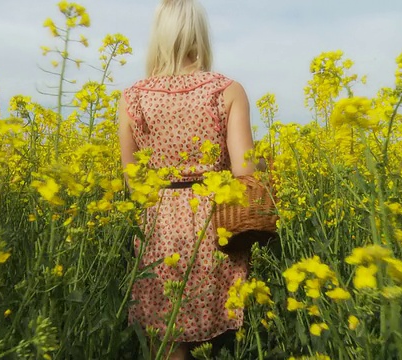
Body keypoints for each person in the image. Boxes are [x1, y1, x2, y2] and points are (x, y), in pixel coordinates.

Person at [118, 0, 256, 358]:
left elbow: (134, 181)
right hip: (216, 225)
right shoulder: (226, 90)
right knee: (215, 338)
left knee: (167, 338)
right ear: (200, 33)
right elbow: (245, 175)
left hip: (159, 227)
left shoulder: (133, 97)